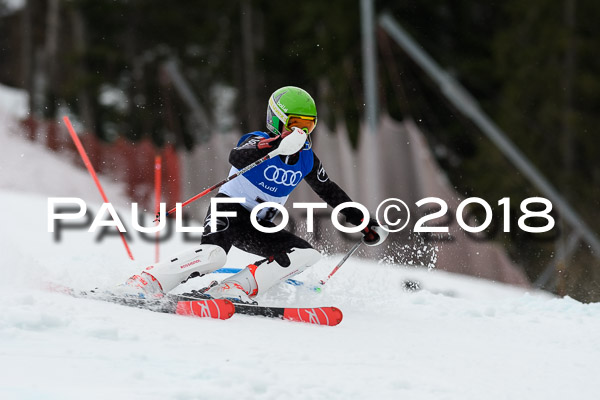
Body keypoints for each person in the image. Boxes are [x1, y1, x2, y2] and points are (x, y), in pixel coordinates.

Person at [120, 86, 388, 302]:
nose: (300, 132)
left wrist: (364, 223)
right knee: (215, 255)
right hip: (228, 210)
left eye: (307, 126)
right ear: (277, 120)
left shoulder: (307, 159)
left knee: (306, 254)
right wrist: (273, 145)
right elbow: (237, 155)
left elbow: (330, 191)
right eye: (294, 124)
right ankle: (148, 281)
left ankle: (232, 289)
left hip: (258, 224)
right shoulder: (258, 139)